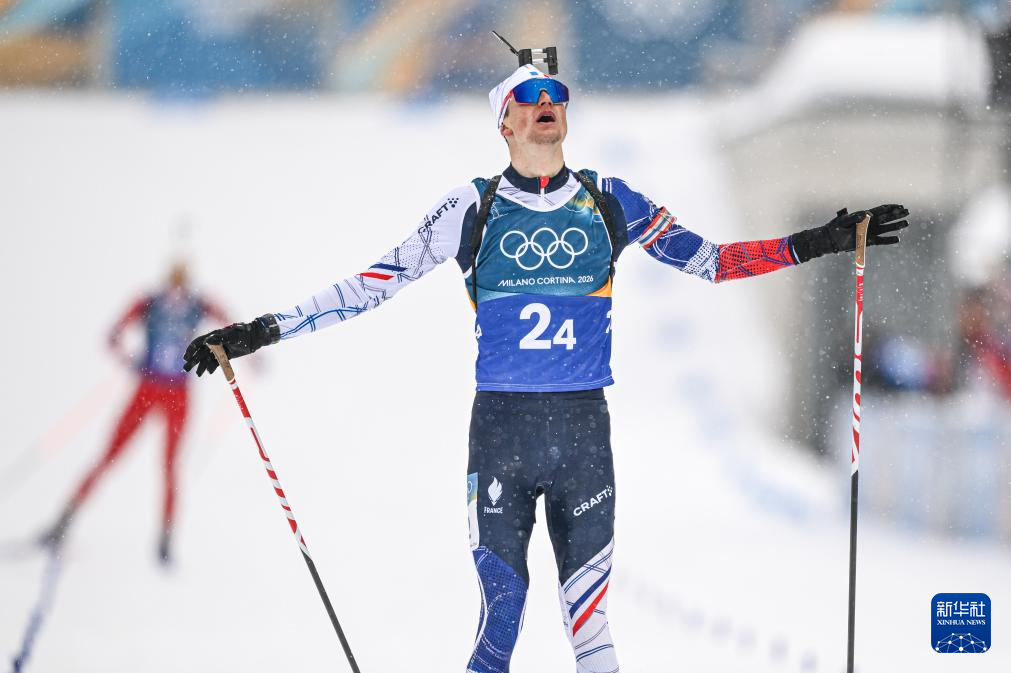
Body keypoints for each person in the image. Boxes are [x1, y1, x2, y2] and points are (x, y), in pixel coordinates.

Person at [183, 65, 908, 672]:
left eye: (555, 96)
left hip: (582, 434)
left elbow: (712, 262)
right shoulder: (473, 206)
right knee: (502, 616)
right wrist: (260, 331)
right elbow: (375, 283)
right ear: (503, 123)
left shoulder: (609, 199)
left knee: (589, 623)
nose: (546, 105)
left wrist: (819, 241)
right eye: (528, 99)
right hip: (501, 432)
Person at [42, 262, 227, 565]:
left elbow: (229, 324)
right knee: (110, 455)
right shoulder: (150, 302)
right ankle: (64, 520)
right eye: (174, 282)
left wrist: (247, 353)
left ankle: (165, 542)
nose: (177, 290)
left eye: (182, 283)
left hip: (177, 396)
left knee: (169, 466)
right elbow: (112, 335)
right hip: (148, 390)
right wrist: (130, 360)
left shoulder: (197, 305)